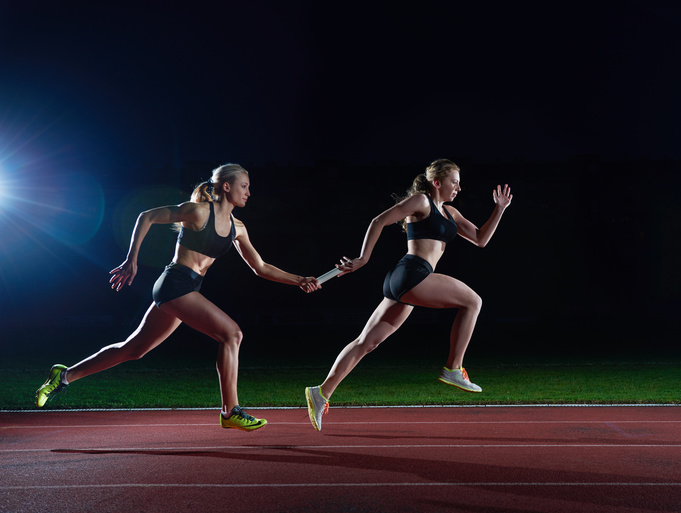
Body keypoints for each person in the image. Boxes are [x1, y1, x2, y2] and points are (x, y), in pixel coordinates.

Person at [36, 163, 320, 431]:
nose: (248, 192)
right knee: (231, 334)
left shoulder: (238, 228)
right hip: (174, 283)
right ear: (225, 187)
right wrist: (132, 259)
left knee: (134, 349)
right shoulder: (198, 212)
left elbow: (260, 267)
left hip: (188, 289)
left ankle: (63, 375)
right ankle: (230, 412)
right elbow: (146, 216)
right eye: (244, 186)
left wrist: (300, 280)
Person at [305, 158, 512, 431]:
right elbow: (379, 221)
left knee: (366, 342)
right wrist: (364, 258)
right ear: (437, 182)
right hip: (414, 273)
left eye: (460, 183)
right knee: (473, 301)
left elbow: (480, 239)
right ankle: (453, 368)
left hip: (403, 281)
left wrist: (499, 209)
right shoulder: (422, 201)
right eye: (454, 182)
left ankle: (321, 392)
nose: (458, 188)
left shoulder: (450, 213)